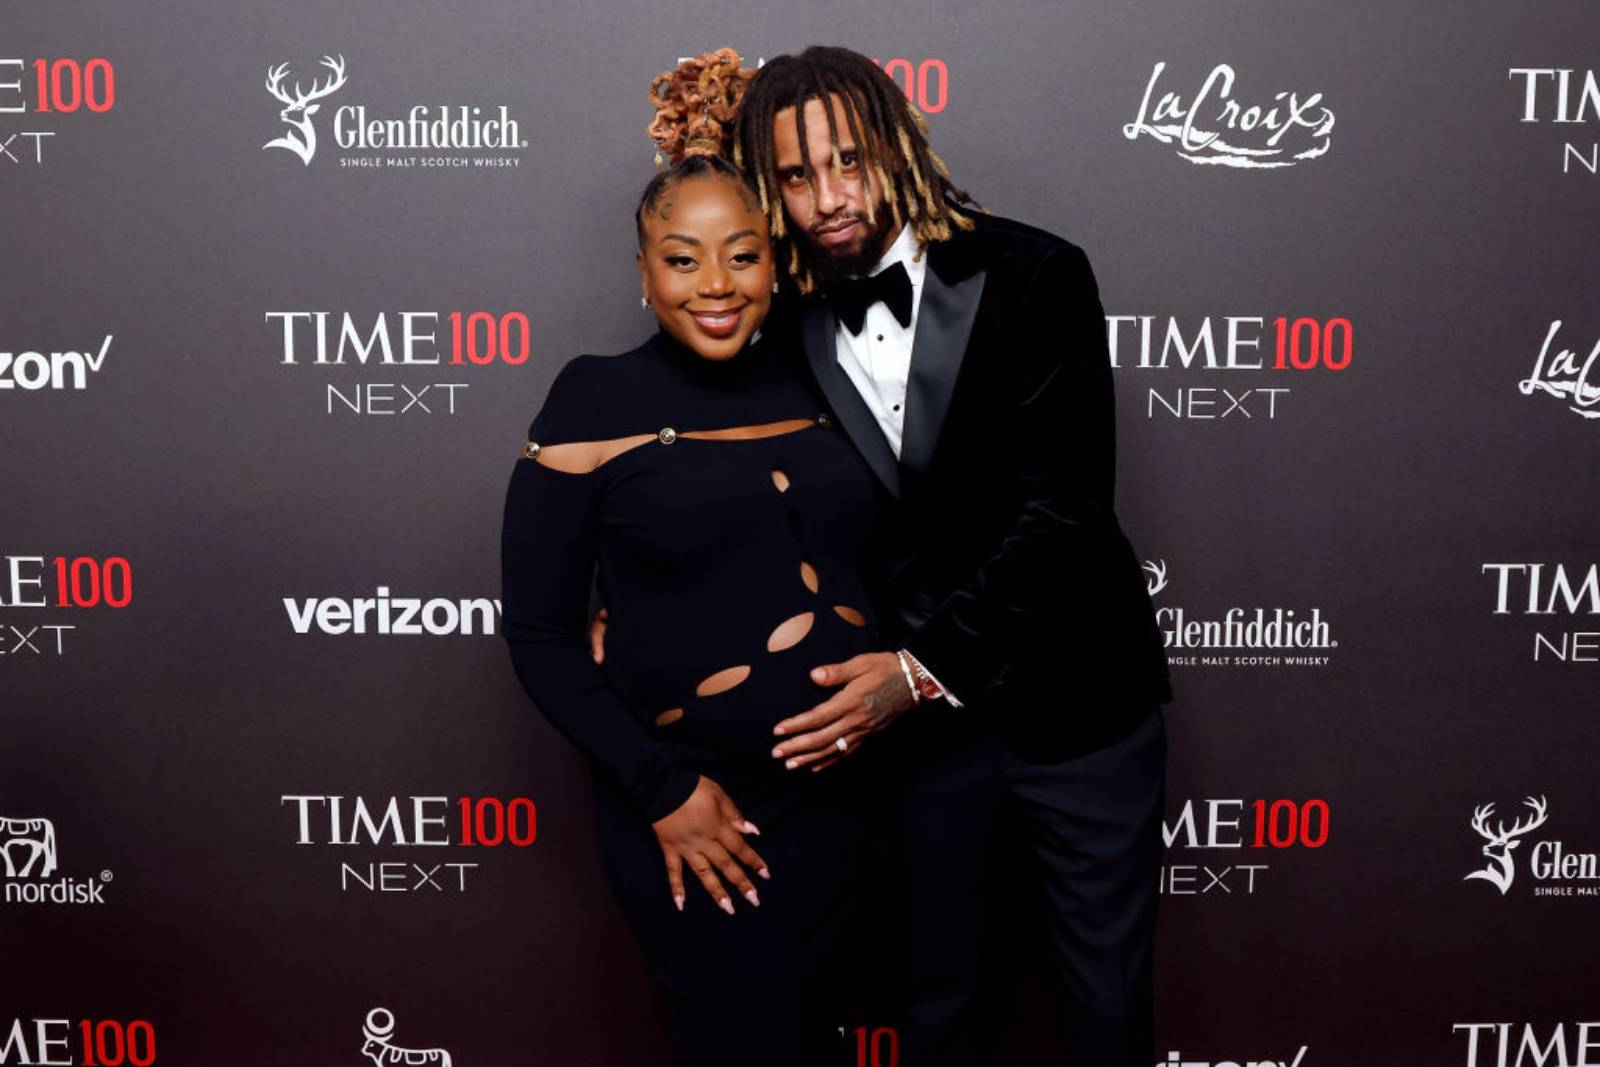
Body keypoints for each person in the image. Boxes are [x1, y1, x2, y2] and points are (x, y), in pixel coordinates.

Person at [725, 46, 1176, 1067]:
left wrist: (915, 674)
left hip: (1079, 711)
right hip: (926, 750)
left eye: (847, 161)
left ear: (896, 145)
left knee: (1105, 1009)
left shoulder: (1035, 272)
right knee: (937, 1004)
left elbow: (1062, 514)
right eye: (795, 177)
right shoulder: (781, 321)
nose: (829, 199)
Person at [500, 51, 884, 1067]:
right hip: (694, 808)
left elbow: (897, 555)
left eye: (743, 254)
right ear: (642, 270)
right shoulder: (591, 400)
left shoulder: (829, 374)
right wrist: (662, 788)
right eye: (682, 258)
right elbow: (540, 635)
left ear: (777, 259)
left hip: (848, 807)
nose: (714, 285)